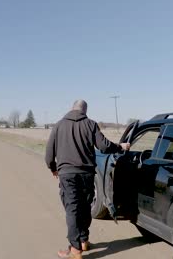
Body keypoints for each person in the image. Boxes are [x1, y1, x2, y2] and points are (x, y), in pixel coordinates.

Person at [45, 100, 130, 259]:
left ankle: (75, 250)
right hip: (87, 174)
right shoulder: (91, 124)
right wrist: (120, 147)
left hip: (67, 175)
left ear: (71, 108)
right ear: (85, 111)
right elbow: (104, 146)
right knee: (85, 207)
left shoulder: (58, 125)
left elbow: (49, 154)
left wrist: (53, 168)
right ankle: (83, 240)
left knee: (73, 210)